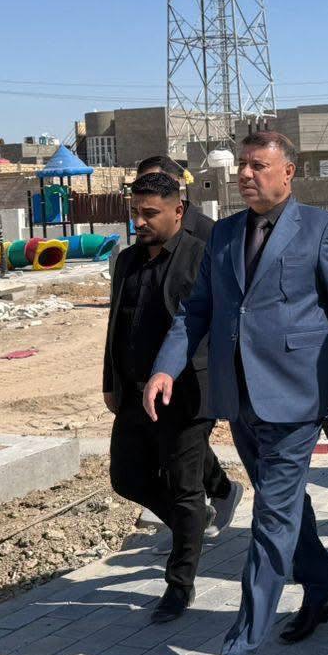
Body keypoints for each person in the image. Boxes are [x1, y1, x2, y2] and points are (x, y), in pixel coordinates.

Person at [146, 131, 328, 655]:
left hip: (296, 398)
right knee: (285, 504)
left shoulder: (322, 228)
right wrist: (166, 367)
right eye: (242, 165)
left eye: (258, 166)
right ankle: (322, 590)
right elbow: (196, 310)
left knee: (271, 518)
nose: (246, 174)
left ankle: (240, 651)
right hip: (239, 398)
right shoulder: (224, 234)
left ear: (288, 172)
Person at [102, 173, 241, 623]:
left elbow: (215, 329)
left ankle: (179, 585)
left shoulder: (202, 257)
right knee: (126, 477)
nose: (139, 222)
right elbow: (115, 327)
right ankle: (193, 521)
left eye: (150, 213)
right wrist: (111, 382)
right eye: (134, 213)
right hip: (133, 394)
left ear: (178, 211)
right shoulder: (126, 261)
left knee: (185, 488)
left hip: (187, 396)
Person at [129, 155, 226, 534]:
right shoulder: (139, 245)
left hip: (194, 366)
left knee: (183, 454)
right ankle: (207, 503)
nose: (142, 215)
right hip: (152, 368)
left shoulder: (206, 234)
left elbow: (208, 311)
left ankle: (193, 527)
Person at [136, 155, 215, 241]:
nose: (143, 190)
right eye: (139, 185)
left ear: (175, 185)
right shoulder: (143, 228)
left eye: (153, 183)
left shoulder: (209, 232)